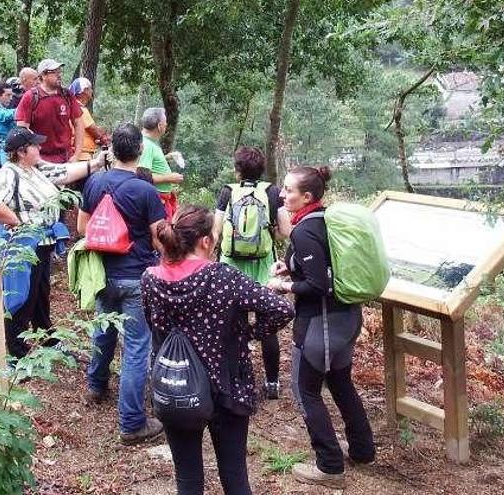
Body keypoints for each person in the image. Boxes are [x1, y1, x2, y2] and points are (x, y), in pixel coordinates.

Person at [143, 205, 294, 495]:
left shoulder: (151, 278)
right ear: (206, 241)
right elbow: (280, 308)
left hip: (177, 385)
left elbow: (154, 325)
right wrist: (247, 334)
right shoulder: (223, 277)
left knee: (187, 478)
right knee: (234, 476)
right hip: (227, 386)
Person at [266, 166, 376, 488]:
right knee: (341, 383)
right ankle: (362, 450)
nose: (283, 195)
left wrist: (282, 287)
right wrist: (289, 268)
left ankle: (329, 466)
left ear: (307, 197)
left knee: (305, 392)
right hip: (345, 320)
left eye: (288, 190)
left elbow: (317, 285)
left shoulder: (304, 230)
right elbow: (326, 265)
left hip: (321, 324)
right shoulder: (325, 221)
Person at [0, 127, 107, 360]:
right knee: (22, 296)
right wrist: (16, 221)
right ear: (21, 151)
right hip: (24, 246)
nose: (39, 147)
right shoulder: (10, 172)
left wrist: (96, 164)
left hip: (43, 243)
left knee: (40, 293)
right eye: (34, 145)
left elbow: (64, 173)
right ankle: (17, 353)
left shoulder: (35, 168)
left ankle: (46, 337)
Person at [78, 123, 167, 445]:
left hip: (103, 274)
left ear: (112, 150)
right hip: (136, 276)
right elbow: (160, 239)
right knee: (135, 348)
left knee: (103, 332)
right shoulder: (145, 190)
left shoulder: (94, 182)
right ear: (140, 152)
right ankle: (132, 423)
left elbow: (82, 227)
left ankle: (96, 385)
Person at [212, 146, 290, 399]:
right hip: (263, 264)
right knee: (266, 323)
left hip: (231, 266)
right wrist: (268, 235)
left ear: (237, 171)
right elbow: (285, 230)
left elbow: (215, 230)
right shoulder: (272, 191)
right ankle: (272, 383)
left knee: (234, 322)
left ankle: (236, 378)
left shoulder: (227, 192)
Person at [15, 59, 84, 164]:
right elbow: (22, 129)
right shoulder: (31, 97)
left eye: (60, 71)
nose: (59, 75)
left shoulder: (67, 95)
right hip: (40, 159)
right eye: (54, 72)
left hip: (66, 158)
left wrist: (77, 154)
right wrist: (32, 157)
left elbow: (79, 123)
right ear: (43, 75)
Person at [139, 107, 183, 220]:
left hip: (162, 200)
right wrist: (169, 178)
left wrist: (166, 158)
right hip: (157, 201)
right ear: (159, 126)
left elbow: (149, 164)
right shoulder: (147, 145)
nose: (166, 125)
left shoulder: (151, 142)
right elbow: (142, 176)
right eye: (165, 123)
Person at [69, 77, 109, 161]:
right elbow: (93, 129)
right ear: (83, 91)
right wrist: (103, 138)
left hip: (75, 152)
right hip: (82, 154)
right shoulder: (80, 109)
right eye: (89, 88)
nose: (91, 90)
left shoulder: (71, 106)